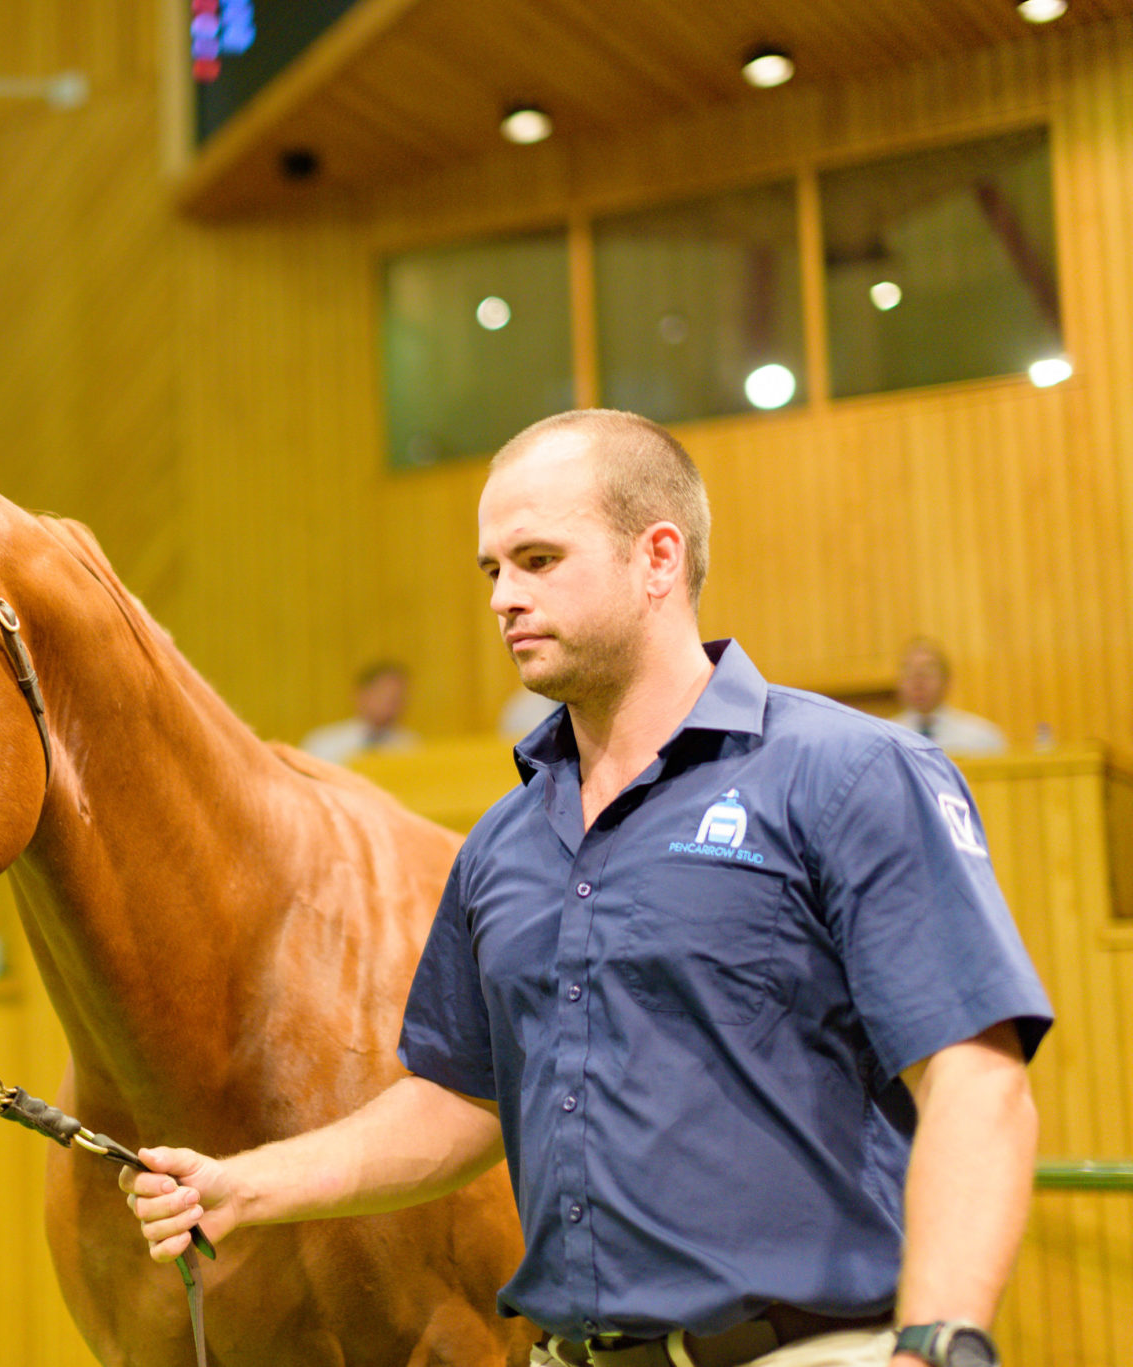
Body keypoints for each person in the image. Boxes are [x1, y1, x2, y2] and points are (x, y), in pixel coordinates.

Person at [124, 409, 1050, 1367]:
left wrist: (937, 1346)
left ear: (658, 558)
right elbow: (459, 1103)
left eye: (538, 558)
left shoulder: (848, 773)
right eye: (493, 570)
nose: (503, 598)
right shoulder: (501, 845)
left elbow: (977, 1080)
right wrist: (249, 1184)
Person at [891, 639, 1007, 757]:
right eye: (909, 673)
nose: (918, 682)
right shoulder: (886, 740)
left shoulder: (982, 738)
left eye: (927, 673)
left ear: (946, 680)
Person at [300, 659, 421, 764]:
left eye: (397, 699)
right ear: (362, 695)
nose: (390, 706)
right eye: (383, 696)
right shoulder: (324, 743)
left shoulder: (409, 746)